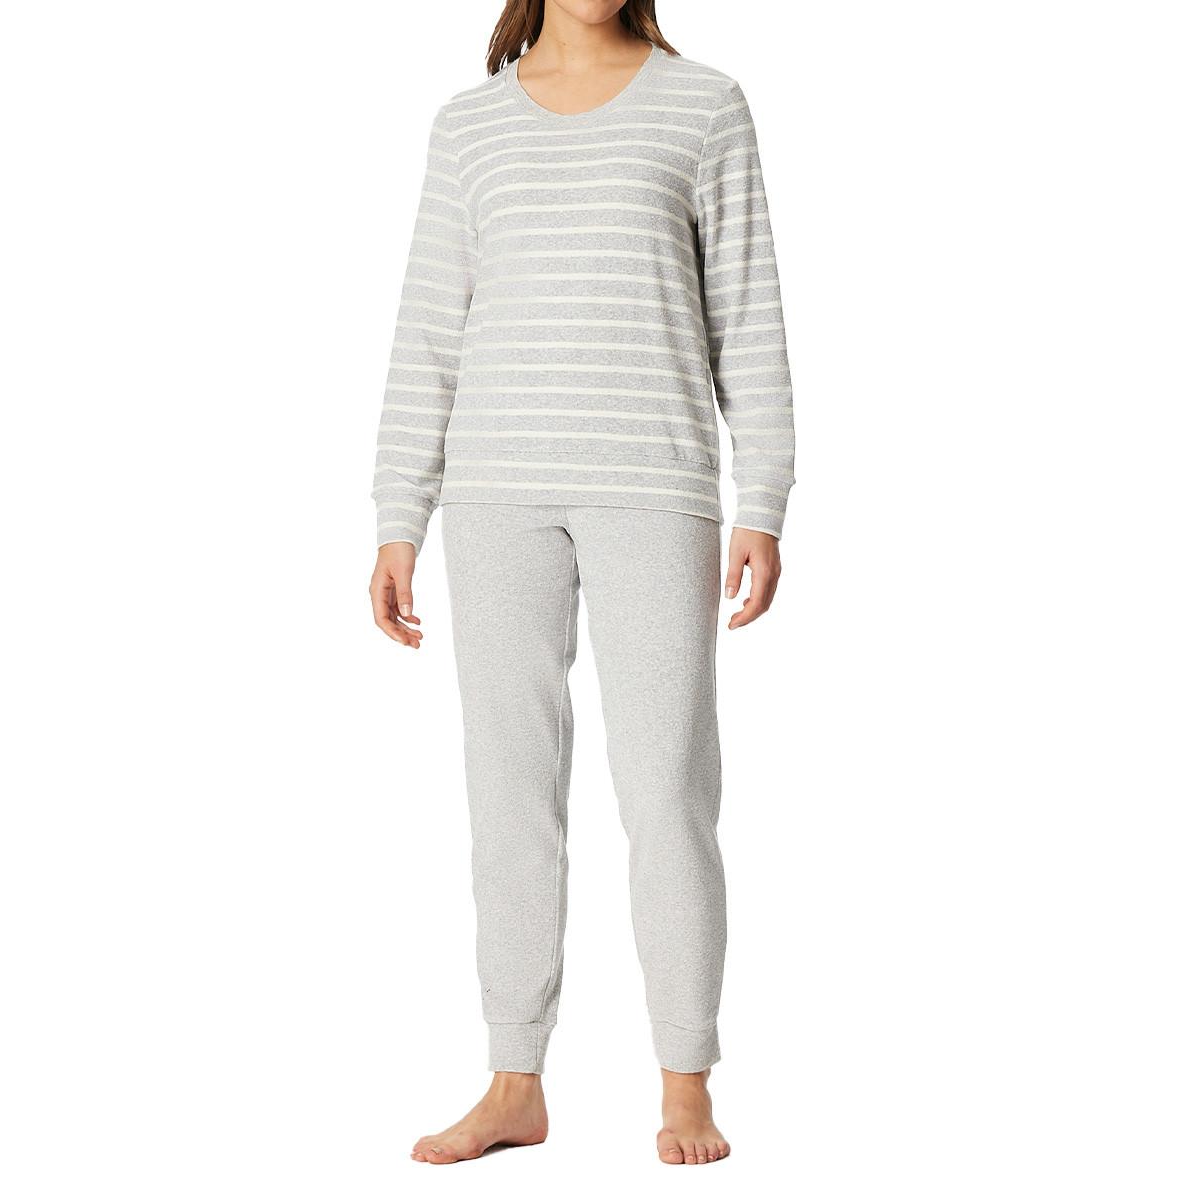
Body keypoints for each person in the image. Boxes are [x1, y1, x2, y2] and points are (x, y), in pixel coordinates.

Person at [368, 0, 793, 1166]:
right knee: (508, 797)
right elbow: (428, 329)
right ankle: (514, 1081)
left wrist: (763, 497)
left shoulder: (704, 104)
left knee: (667, 793)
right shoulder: (468, 126)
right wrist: (399, 515)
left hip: (654, 484)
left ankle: (685, 1083)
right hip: (494, 495)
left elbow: (749, 313)